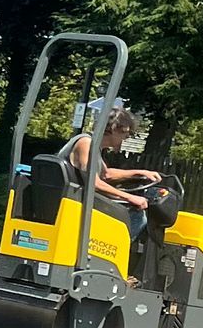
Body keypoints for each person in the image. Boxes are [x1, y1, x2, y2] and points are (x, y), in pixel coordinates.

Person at [60, 108, 160, 260]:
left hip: (76, 201)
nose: (124, 140)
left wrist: (140, 173)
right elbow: (94, 182)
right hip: (73, 203)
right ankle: (102, 259)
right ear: (115, 129)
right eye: (124, 135)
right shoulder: (85, 143)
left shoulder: (93, 147)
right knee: (138, 217)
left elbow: (105, 175)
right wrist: (130, 198)